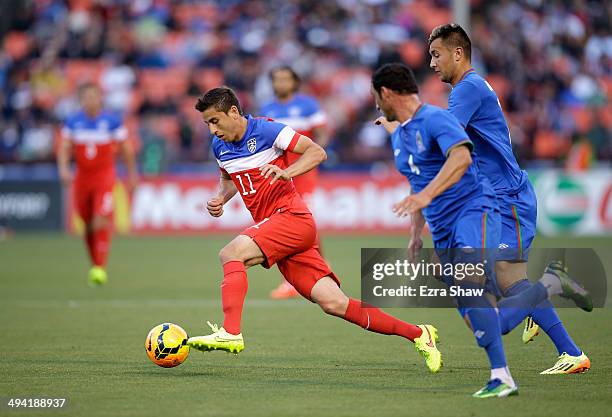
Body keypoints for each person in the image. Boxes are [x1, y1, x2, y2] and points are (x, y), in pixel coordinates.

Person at [186, 86, 442, 374]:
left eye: (214, 121)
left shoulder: (268, 131)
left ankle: (231, 332)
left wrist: (288, 172)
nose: (211, 130)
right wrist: (220, 197)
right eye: (207, 123)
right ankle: (420, 334)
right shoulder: (220, 147)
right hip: (279, 231)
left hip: (291, 218)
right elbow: (229, 179)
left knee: (231, 253)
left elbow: (317, 152)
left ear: (233, 111)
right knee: (334, 303)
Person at [372, 63, 591, 397]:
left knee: (480, 290)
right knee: (486, 321)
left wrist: (426, 196)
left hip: (474, 212)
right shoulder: (400, 139)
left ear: (387, 93)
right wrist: (416, 233)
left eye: (377, 97)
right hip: (444, 226)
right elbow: (418, 184)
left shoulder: (436, 118)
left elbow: (460, 158)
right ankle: (548, 286)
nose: (376, 106)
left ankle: (504, 377)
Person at [427, 23, 591, 374]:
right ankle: (570, 350)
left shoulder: (466, 90)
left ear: (458, 53)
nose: (432, 63)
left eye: (436, 54)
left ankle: (550, 286)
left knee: (491, 292)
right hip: (497, 197)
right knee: (507, 282)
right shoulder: (472, 88)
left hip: (506, 198)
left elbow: (446, 138)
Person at [259, 65, 330, 299]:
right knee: (283, 224)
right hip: (278, 174)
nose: (280, 83)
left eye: (285, 79)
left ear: (294, 82)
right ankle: (290, 281)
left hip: (304, 173)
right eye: (276, 79)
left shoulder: (308, 104)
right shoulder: (267, 108)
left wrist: (316, 153)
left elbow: (322, 131)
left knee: (306, 223)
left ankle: (320, 273)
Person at [57, 83, 138, 286]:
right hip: (82, 178)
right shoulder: (73, 122)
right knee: (86, 223)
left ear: (100, 98)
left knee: (100, 219)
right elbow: (64, 148)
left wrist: (132, 174)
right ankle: (95, 262)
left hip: (104, 176)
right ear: (81, 99)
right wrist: (64, 169)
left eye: (94, 96)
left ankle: (100, 267)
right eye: (86, 97)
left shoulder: (111, 122)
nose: (90, 100)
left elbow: (126, 150)